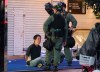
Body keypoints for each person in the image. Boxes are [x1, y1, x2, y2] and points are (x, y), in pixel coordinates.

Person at [43, 5, 66, 71]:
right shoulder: (63, 18)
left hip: (52, 36)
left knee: (49, 50)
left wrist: (47, 33)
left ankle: (47, 65)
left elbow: (45, 25)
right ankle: (55, 67)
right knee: (57, 51)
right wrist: (64, 39)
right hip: (60, 38)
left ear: (55, 10)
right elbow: (65, 30)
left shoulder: (52, 17)